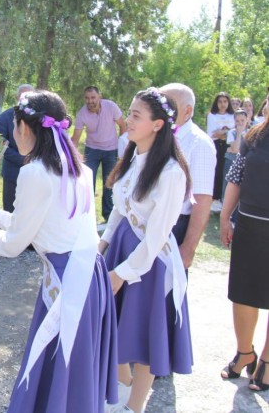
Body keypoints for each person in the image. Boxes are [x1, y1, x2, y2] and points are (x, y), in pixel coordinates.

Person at [0, 90, 118, 412]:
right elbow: (29, 223)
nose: (14, 135)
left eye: (15, 127)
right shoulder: (77, 169)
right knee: (71, 369)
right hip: (90, 275)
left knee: (60, 364)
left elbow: (14, 244)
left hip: (66, 283)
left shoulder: (34, 172)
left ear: (25, 127)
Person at [101, 88, 193, 413]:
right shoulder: (132, 156)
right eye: (129, 113)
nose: (128, 120)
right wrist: (103, 244)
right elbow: (118, 208)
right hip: (121, 250)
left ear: (157, 125)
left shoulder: (170, 173)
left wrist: (122, 274)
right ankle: (122, 390)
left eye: (136, 115)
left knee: (143, 337)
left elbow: (155, 239)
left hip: (147, 263)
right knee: (111, 326)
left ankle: (134, 407)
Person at [219, 114, 269, 391]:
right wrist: (226, 217)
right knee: (242, 293)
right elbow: (235, 178)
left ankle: (267, 363)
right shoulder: (253, 136)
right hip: (249, 225)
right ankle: (244, 352)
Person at [159, 83, 216, 270]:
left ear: (187, 110)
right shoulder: (160, 135)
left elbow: (202, 199)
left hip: (176, 227)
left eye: (168, 104)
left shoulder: (199, 143)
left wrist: (189, 247)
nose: (161, 108)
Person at [72, 86, 126, 222]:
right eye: (87, 98)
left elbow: (123, 125)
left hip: (111, 149)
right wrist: (73, 154)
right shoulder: (82, 113)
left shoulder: (111, 106)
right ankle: (87, 216)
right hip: (92, 149)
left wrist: (123, 146)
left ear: (99, 97)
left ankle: (108, 216)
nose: (90, 101)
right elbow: (75, 137)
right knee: (87, 182)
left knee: (109, 183)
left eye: (93, 97)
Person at [0, 84, 35, 212]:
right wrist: (24, 159)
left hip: (36, 173)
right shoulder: (3, 118)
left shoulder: (39, 118)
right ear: (16, 97)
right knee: (10, 211)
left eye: (30, 97)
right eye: (23, 97)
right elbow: (2, 147)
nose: (26, 101)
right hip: (12, 173)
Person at [206, 92, 235, 212]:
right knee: (216, 171)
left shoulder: (232, 115)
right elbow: (212, 133)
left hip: (229, 146)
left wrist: (223, 133)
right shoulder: (212, 115)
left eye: (225, 101)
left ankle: (225, 199)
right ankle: (214, 198)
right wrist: (226, 132)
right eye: (220, 102)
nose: (222, 104)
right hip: (216, 145)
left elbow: (234, 132)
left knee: (227, 171)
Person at [223, 110, 249, 201]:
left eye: (242, 120)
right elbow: (234, 149)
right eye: (237, 121)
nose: (240, 123)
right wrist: (238, 134)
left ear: (247, 120)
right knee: (228, 184)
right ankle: (224, 203)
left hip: (246, 162)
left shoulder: (251, 132)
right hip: (231, 160)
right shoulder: (232, 132)